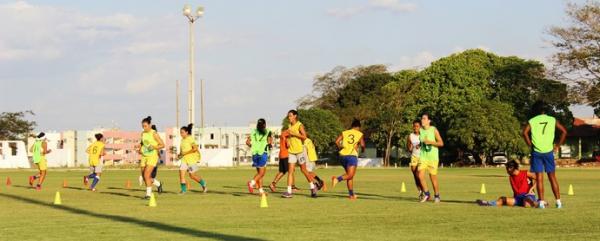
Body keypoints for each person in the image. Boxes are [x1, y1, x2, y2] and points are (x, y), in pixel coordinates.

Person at [522, 101, 568, 209]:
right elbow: (564, 132)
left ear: (536, 110)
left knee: (539, 178)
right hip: (548, 152)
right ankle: (558, 202)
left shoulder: (532, 120)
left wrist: (530, 144)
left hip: (537, 151)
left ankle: (541, 202)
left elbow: (524, 133)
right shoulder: (552, 120)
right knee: (552, 177)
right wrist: (557, 146)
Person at [282, 110, 319, 198]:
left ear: (295, 116)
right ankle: (289, 192)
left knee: (304, 170)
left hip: (300, 151)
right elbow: (286, 135)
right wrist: (287, 140)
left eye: (290, 116)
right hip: (291, 151)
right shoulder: (289, 125)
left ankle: (313, 187)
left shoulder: (299, 125)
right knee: (290, 171)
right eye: (288, 116)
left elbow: (304, 137)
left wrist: (295, 134)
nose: (289, 117)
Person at [331, 119, 365, 200]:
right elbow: (363, 145)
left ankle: (351, 195)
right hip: (351, 156)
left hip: (342, 156)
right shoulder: (359, 134)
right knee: (350, 175)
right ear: (358, 127)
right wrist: (362, 150)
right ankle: (337, 179)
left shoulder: (345, 132)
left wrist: (340, 148)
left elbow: (336, 142)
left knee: (349, 176)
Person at [417, 113, 444, 203]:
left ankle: (437, 195)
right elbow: (422, 142)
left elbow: (441, 143)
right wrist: (418, 145)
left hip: (433, 158)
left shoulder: (434, 130)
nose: (422, 120)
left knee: (433, 178)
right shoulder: (420, 130)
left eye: (424, 119)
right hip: (423, 157)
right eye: (422, 119)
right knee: (420, 175)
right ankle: (427, 194)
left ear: (429, 121)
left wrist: (431, 142)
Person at [138, 116, 165, 199]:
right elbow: (142, 143)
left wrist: (153, 147)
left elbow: (162, 144)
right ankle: (158, 184)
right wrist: (139, 149)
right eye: (143, 126)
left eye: (145, 126)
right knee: (144, 176)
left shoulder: (154, 133)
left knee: (146, 175)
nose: (144, 128)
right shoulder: (142, 133)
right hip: (144, 156)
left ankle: (148, 195)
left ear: (150, 125)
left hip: (152, 156)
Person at [246, 119, 273, 195]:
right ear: (265, 124)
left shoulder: (253, 131)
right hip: (262, 153)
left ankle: (261, 191)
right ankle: (251, 183)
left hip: (254, 154)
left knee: (259, 173)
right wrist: (270, 146)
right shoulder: (268, 131)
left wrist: (253, 146)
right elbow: (269, 142)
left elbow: (247, 142)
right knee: (262, 173)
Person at [178, 123, 207, 194]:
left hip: (191, 161)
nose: (181, 134)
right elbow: (183, 151)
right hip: (184, 160)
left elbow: (195, 148)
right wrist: (180, 154)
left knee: (192, 176)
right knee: (181, 174)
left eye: (182, 132)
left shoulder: (190, 138)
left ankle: (203, 184)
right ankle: (183, 190)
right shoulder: (182, 140)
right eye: (180, 133)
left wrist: (185, 153)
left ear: (186, 132)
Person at [406, 120, 423, 199]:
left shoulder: (423, 135)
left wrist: (420, 145)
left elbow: (427, 143)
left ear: (420, 127)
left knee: (418, 174)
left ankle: (425, 190)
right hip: (414, 156)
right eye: (414, 126)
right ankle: (420, 191)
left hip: (422, 156)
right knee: (414, 174)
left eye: (417, 126)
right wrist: (410, 148)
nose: (416, 128)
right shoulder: (410, 136)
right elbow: (408, 147)